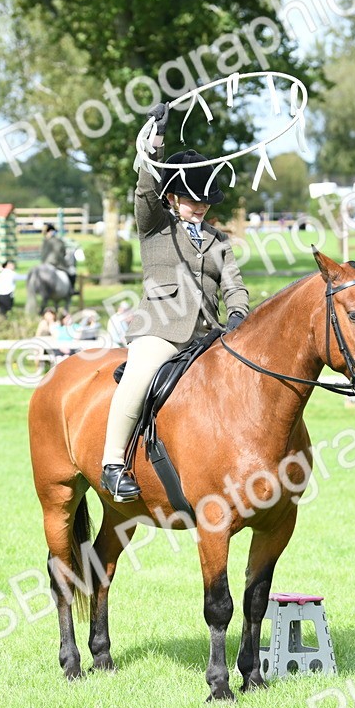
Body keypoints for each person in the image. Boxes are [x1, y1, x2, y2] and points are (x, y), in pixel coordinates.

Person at [100, 101, 249, 502]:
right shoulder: (155, 227)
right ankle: (113, 464)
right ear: (171, 199)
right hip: (161, 329)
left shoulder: (220, 241)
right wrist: (156, 141)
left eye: (204, 200)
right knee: (139, 376)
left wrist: (237, 313)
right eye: (189, 199)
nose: (199, 206)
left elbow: (233, 284)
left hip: (207, 335)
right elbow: (146, 187)